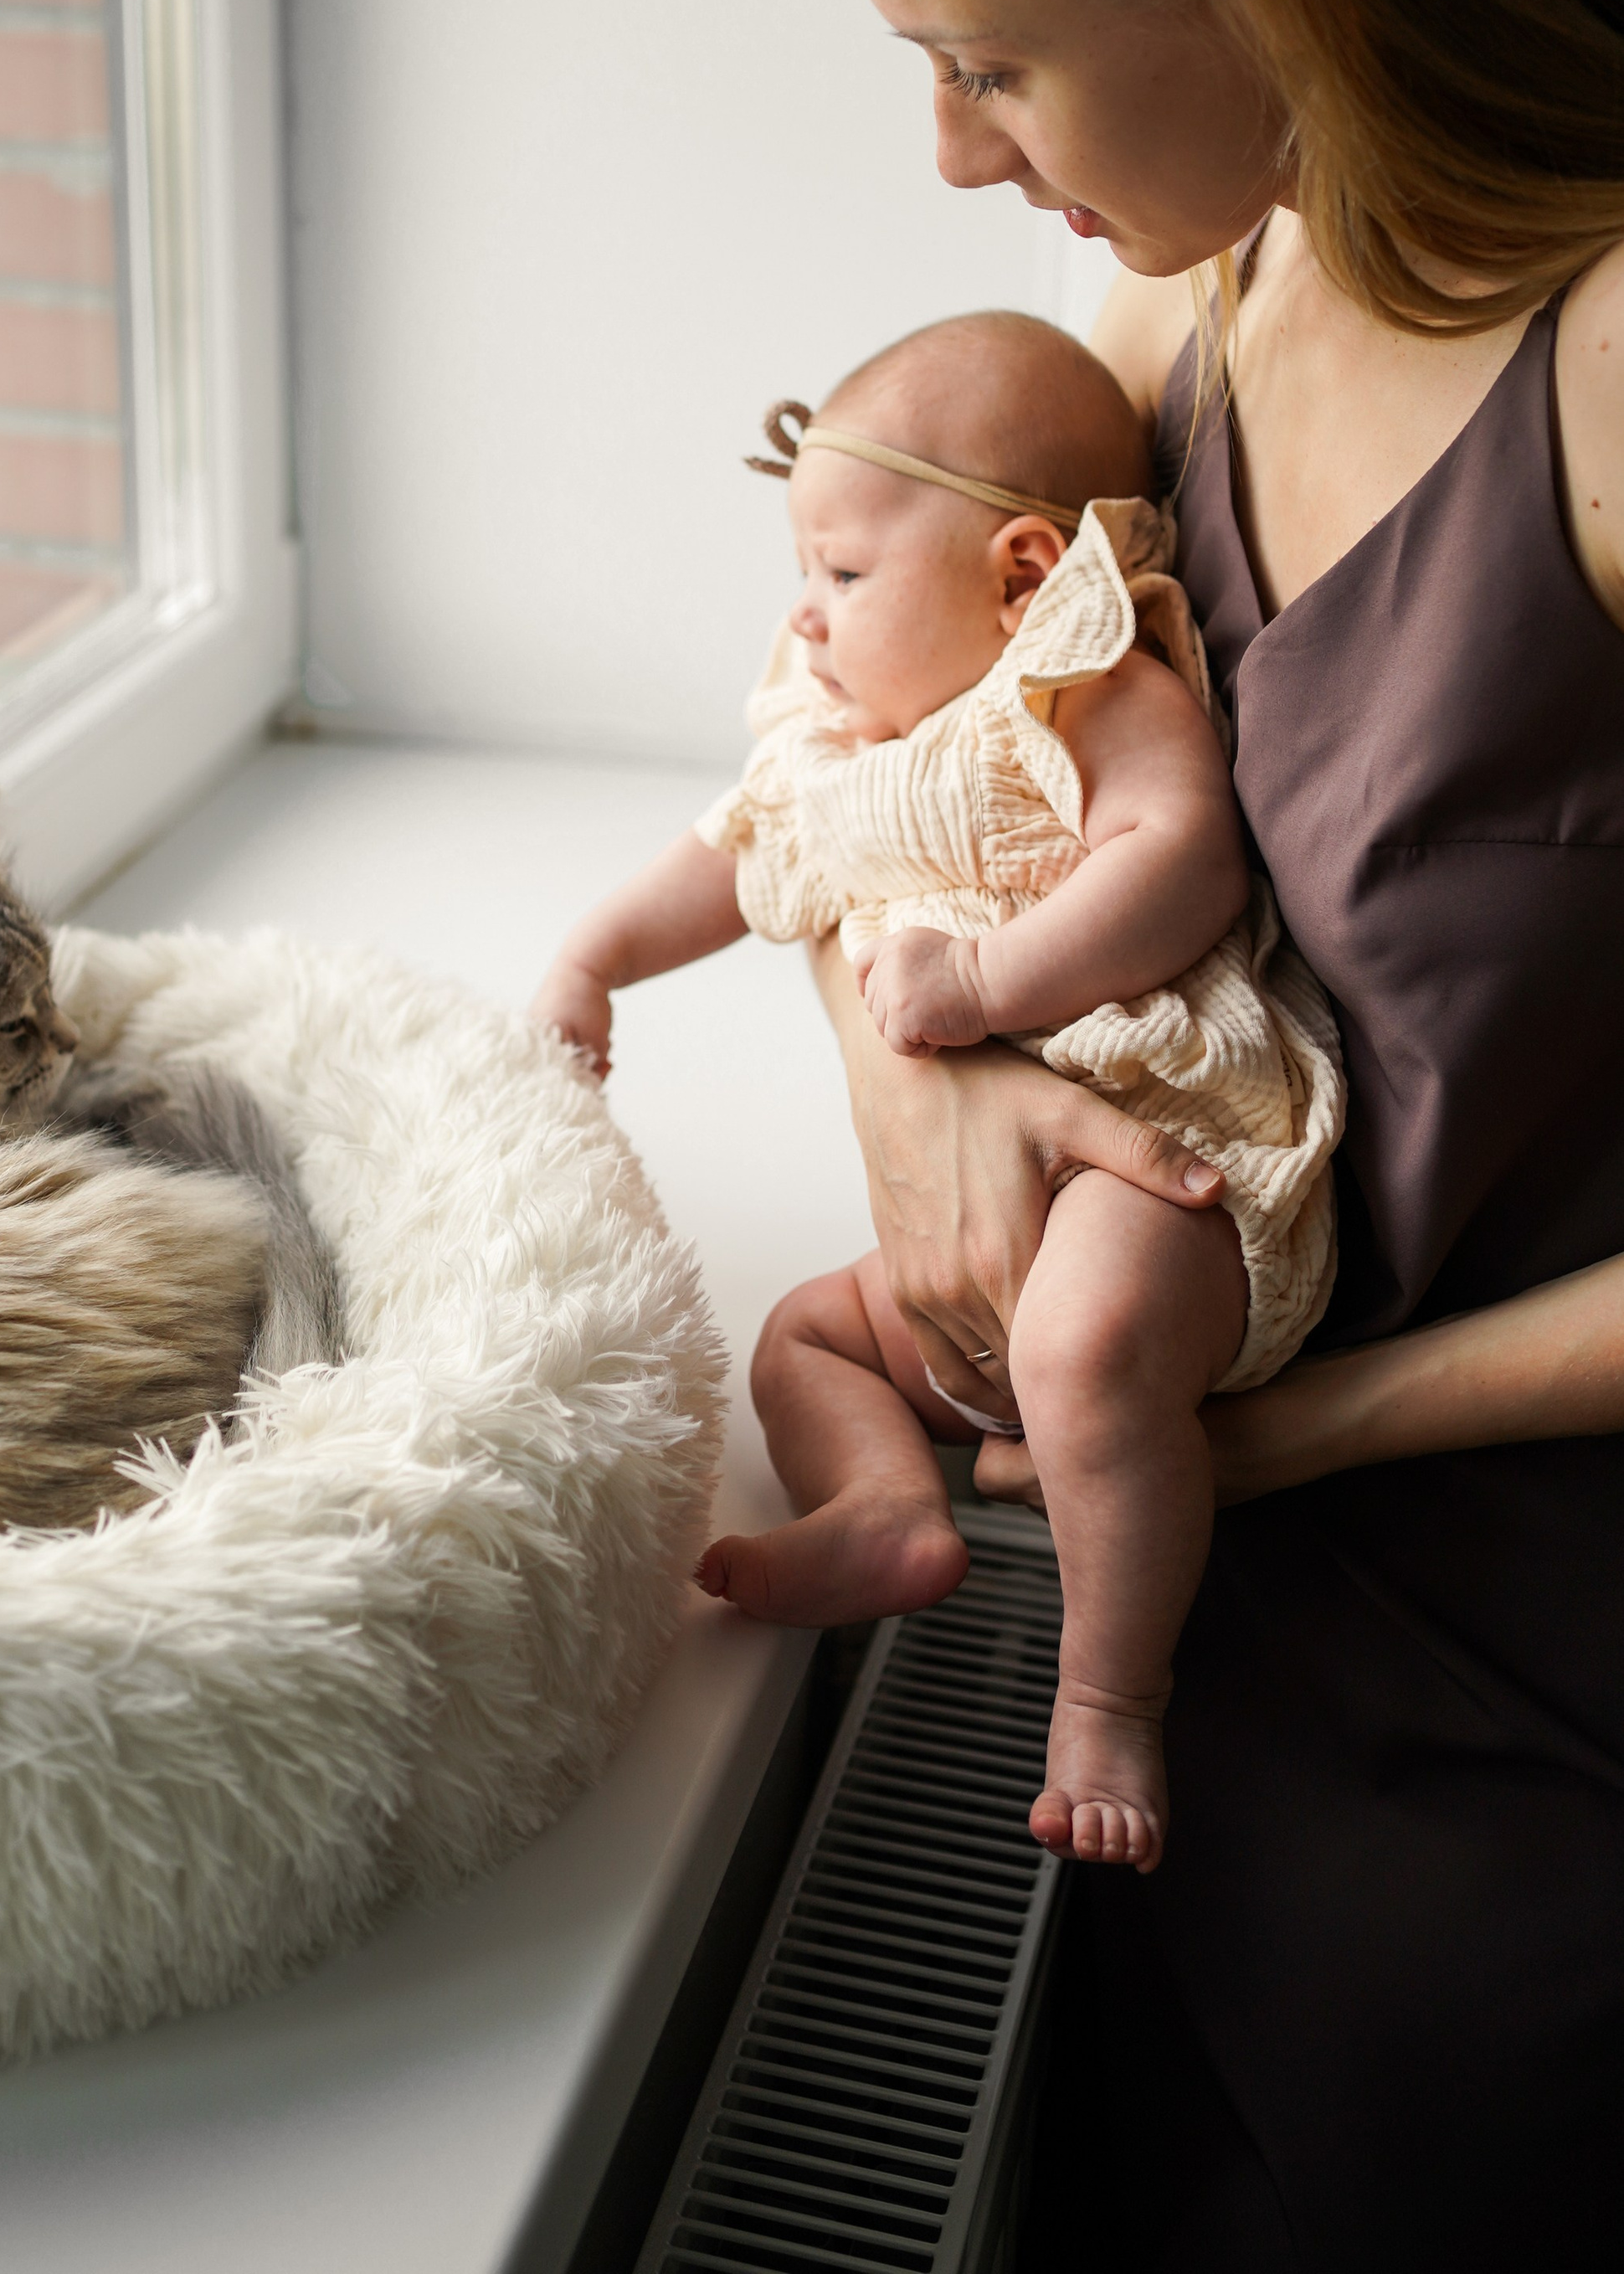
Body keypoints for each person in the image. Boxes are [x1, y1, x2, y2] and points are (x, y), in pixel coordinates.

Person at [773, 0, 1624, 2271]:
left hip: (1510, 1716)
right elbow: (883, 758)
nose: (951, 157)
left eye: (989, 58)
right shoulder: (1203, 298)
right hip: (1179, 1595)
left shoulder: (1607, 374)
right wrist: (941, 1102)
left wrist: (1289, 1431)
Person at [532, 309, 1340, 1870]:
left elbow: (1178, 863)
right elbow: (735, 855)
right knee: (807, 1340)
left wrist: (983, 986)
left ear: (1023, 571)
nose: (807, 617)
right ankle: (890, 1510)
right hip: (976, 1245)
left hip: (1166, 1165)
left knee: (1086, 1342)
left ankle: (1109, 1695)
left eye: (843, 574)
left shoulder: (1082, 683)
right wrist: (593, 962)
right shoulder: (837, 745)